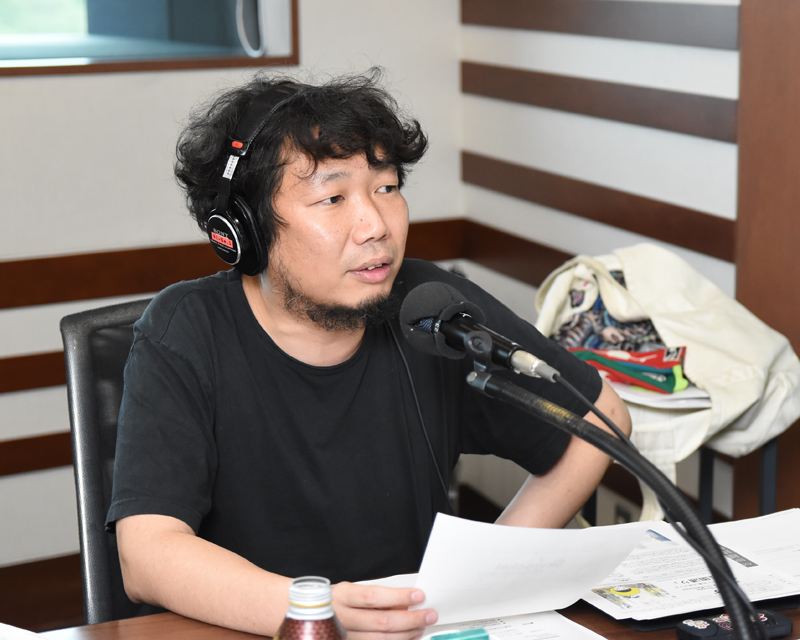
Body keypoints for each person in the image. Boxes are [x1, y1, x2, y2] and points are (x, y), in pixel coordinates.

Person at [107, 68, 631, 640]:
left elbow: (599, 421)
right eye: (332, 198)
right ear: (245, 230)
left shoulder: (429, 306)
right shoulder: (186, 330)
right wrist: (316, 612)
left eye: (386, 188)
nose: (376, 226)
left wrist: (476, 584)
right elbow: (146, 554)